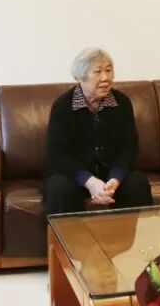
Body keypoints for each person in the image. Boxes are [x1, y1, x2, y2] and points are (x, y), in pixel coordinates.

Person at [44, 48, 153, 215]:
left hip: (111, 176)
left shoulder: (122, 103)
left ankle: (136, 234)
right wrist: (89, 181)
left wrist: (116, 179)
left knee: (137, 184)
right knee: (59, 189)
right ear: (80, 77)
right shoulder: (62, 107)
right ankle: (64, 234)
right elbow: (59, 154)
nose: (106, 78)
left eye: (108, 70)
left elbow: (129, 148)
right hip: (74, 175)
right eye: (98, 72)